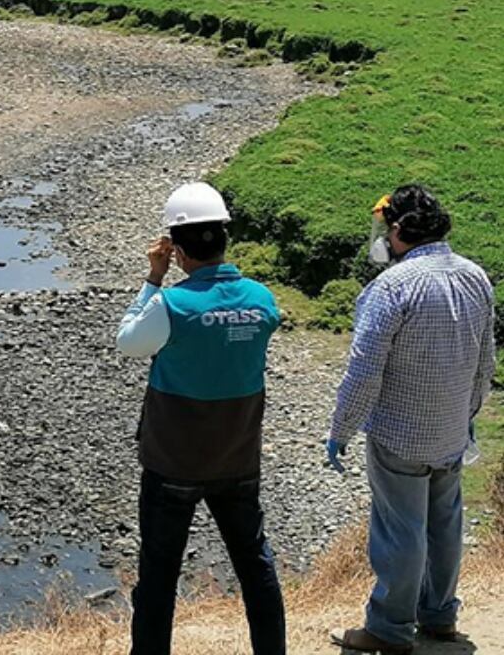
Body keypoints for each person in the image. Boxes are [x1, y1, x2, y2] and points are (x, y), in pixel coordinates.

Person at [116, 182, 286, 655]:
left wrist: (153, 278)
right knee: (255, 566)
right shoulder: (262, 299)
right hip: (238, 458)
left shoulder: (172, 305)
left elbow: (128, 340)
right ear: (224, 239)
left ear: (178, 248)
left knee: (158, 577)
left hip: (174, 462)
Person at [327, 184, 496, 655]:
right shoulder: (474, 276)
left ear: (400, 231)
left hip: (399, 434)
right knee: (444, 526)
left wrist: (339, 431)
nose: (382, 236)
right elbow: (486, 363)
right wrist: (466, 416)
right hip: (451, 429)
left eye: (387, 228)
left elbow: (363, 372)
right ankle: (440, 618)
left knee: (400, 531)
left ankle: (388, 628)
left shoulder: (392, 287)